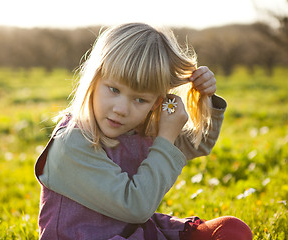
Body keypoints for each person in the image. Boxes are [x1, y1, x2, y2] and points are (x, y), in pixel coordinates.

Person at [35, 23, 252, 240]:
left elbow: (199, 144)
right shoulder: (72, 141)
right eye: (114, 89)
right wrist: (165, 138)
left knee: (231, 229)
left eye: (140, 99)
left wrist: (205, 97)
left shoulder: (138, 128)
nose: (121, 109)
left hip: (135, 232)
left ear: (157, 103)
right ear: (94, 79)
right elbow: (135, 206)